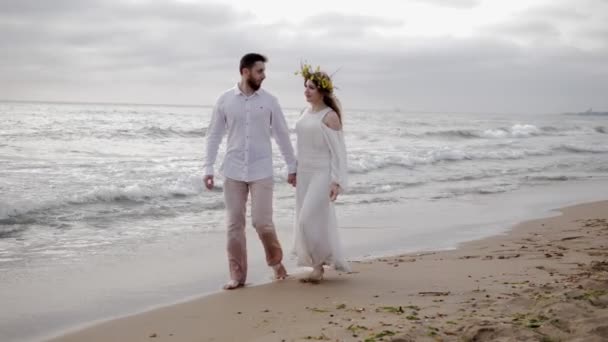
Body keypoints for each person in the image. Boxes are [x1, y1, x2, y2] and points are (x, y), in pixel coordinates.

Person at [203, 53, 297, 290]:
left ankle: (276, 263)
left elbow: (282, 134)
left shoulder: (270, 101)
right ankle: (237, 276)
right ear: (245, 71)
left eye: (264, 71)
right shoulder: (224, 100)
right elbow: (214, 134)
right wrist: (208, 167)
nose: (263, 76)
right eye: (259, 71)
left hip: (261, 170)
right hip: (233, 170)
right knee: (234, 225)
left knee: (262, 222)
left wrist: (292, 166)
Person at [292, 64, 351, 282]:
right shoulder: (304, 112)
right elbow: (300, 145)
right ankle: (317, 266)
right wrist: (294, 169)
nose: (306, 91)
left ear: (322, 91)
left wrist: (336, 182)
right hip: (304, 173)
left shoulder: (330, 116)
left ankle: (319, 264)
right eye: (306, 87)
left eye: (312, 88)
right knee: (309, 219)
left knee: (306, 220)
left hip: (322, 173)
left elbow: (339, 153)